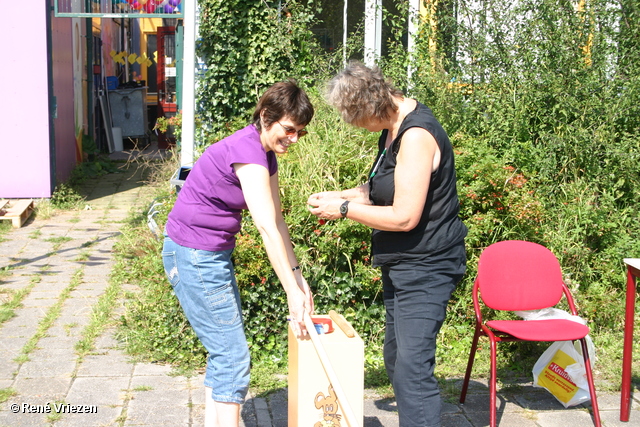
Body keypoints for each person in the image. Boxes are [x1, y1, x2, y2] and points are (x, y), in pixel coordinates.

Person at [307, 62, 467, 427]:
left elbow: (403, 216)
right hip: (402, 263)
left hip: (428, 265)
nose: (354, 126)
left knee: (412, 368)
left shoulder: (416, 135)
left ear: (370, 106)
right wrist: (339, 195)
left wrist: (344, 210)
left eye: (354, 117)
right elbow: (382, 189)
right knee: (397, 359)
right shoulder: (392, 132)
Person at [162, 80, 315, 427]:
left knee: (224, 351)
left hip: (209, 255)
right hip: (194, 255)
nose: (293, 139)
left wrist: (298, 280)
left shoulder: (263, 154)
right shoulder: (247, 152)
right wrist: (290, 292)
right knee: (232, 356)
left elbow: (277, 219)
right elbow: (264, 228)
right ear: (266, 116)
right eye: (289, 130)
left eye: (300, 134)